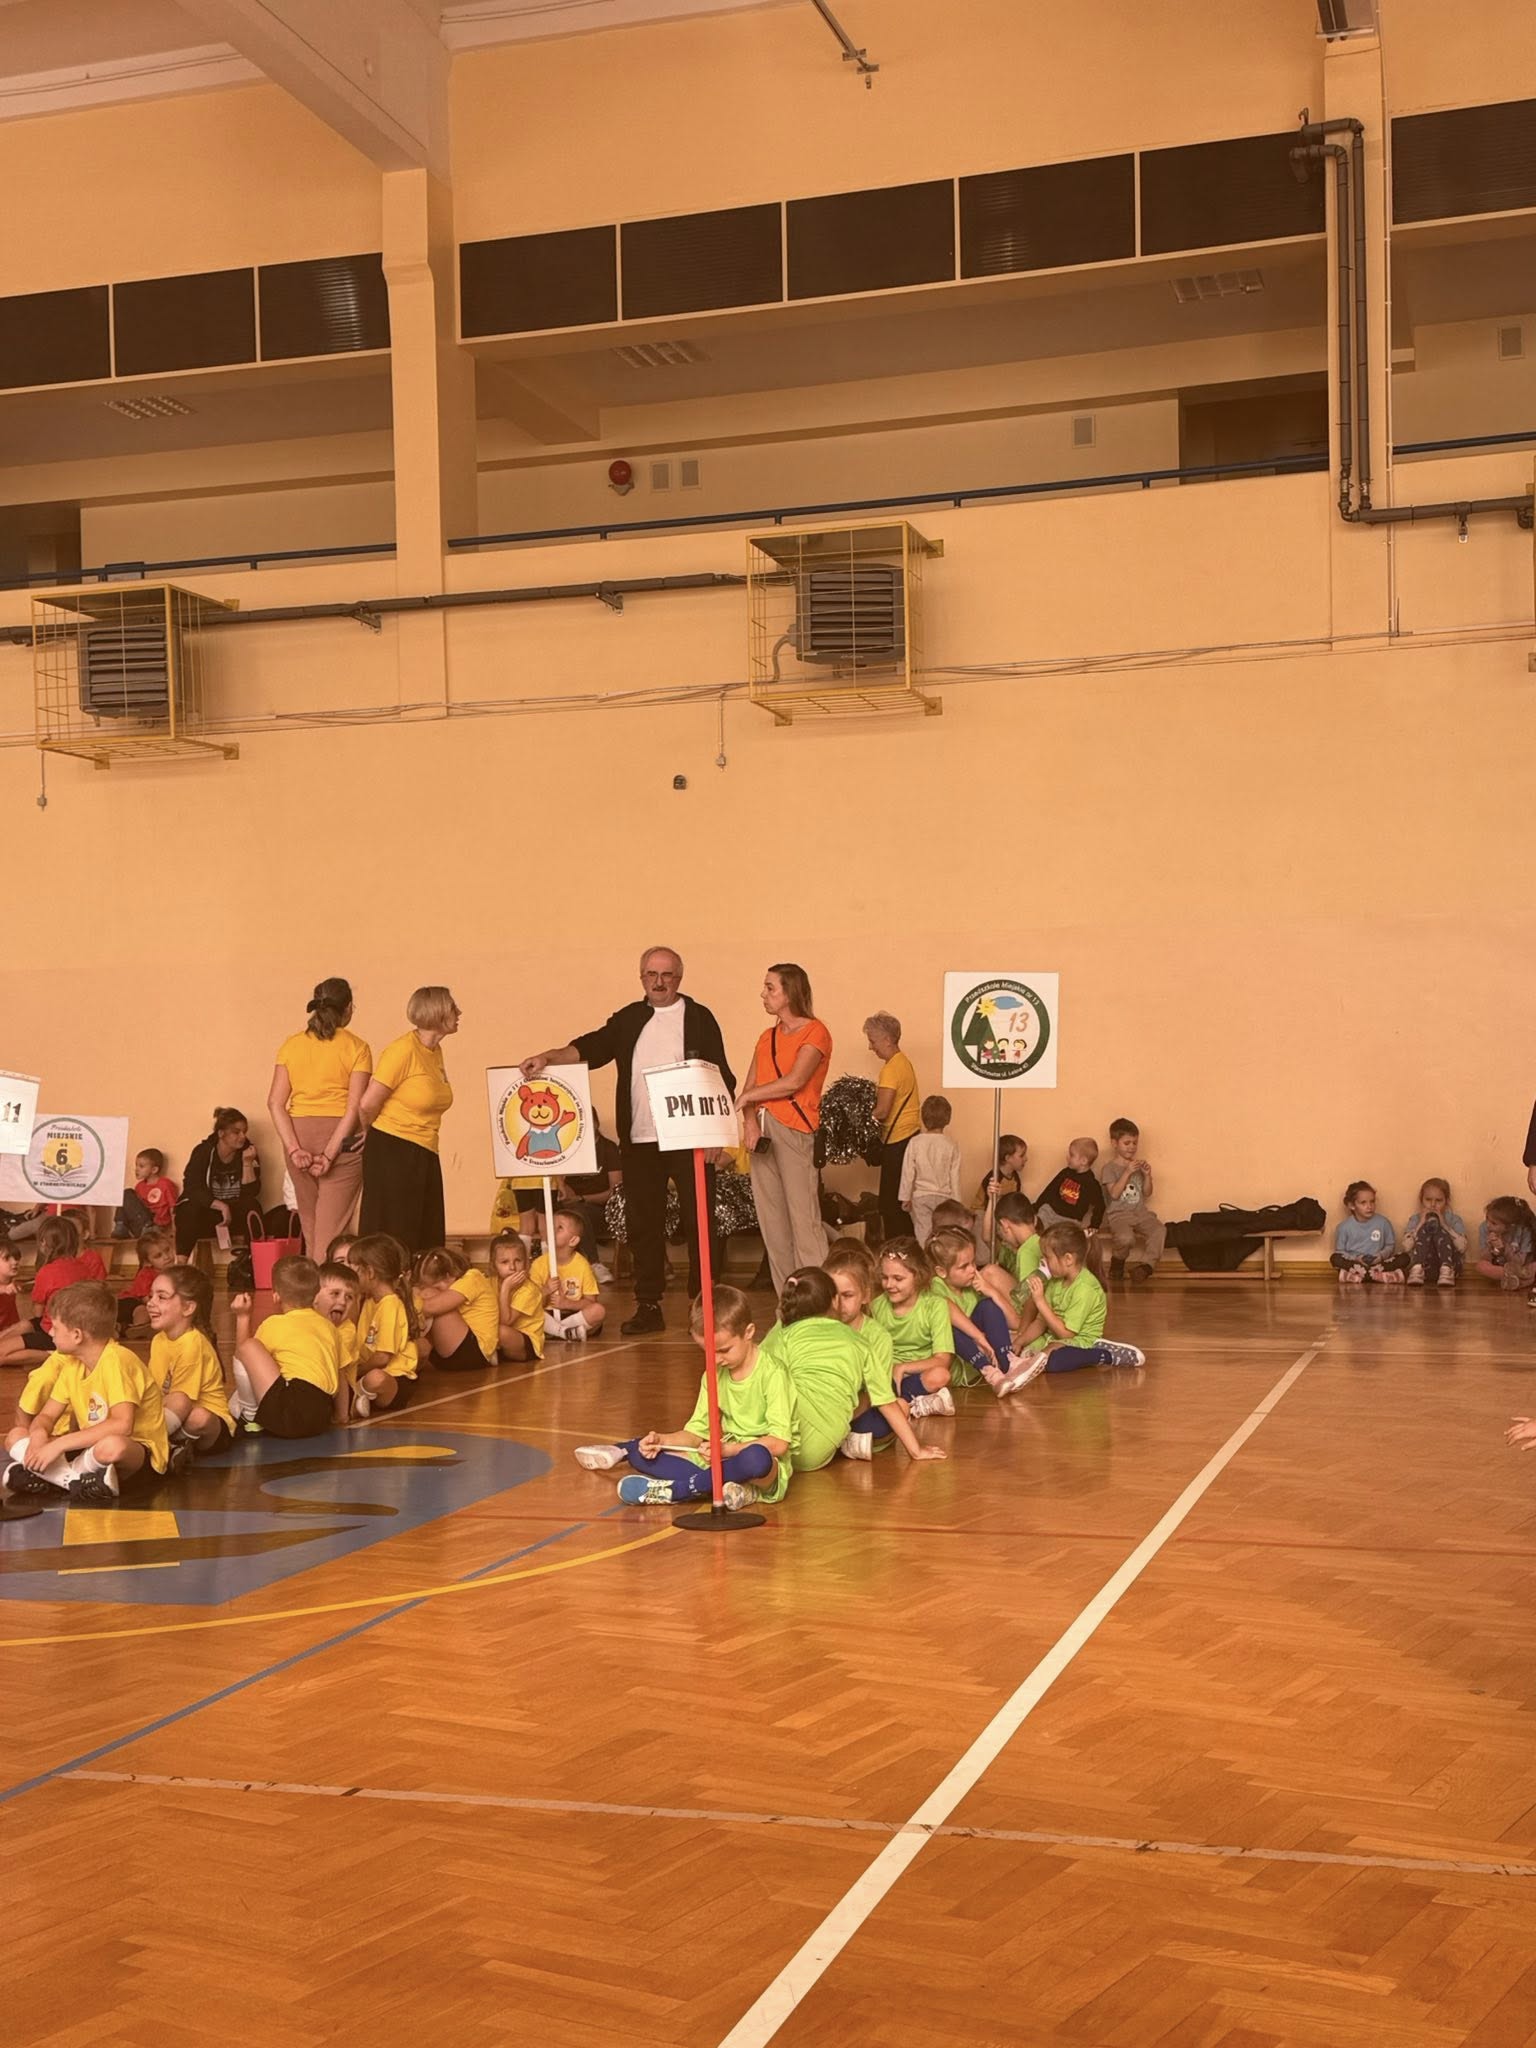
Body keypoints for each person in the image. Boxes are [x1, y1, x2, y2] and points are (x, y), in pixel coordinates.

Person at [518, 946, 734, 1336]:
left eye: (666, 975)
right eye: (651, 974)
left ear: (679, 978)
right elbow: (592, 1046)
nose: (659, 982)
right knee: (642, 1224)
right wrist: (548, 1057)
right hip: (639, 1141)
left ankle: (705, 1303)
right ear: (642, 978)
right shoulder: (630, 1019)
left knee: (699, 1220)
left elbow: (720, 1075)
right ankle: (648, 1304)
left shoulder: (699, 1018)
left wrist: (717, 1133)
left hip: (690, 1138)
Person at [572, 1285, 797, 1510]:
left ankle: (678, 1491)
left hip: (759, 1467)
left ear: (749, 1332)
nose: (715, 1360)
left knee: (756, 1458)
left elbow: (779, 1443)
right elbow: (695, 1434)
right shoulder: (712, 1375)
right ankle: (719, 1488)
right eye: (708, 1352)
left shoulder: (773, 1373)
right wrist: (662, 1441)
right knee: (642, 1456)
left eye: (724, 1350)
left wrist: (728, 1450)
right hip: (719, 1462)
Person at [3, 1280, 172, 1503]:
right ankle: (74, 1480)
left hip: (136, 1453)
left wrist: (58, 1445)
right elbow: (46, 1416)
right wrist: (38, 1436)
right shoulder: (72, 1364)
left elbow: (122, 1425)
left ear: (77, 1335)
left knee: (111, 1446)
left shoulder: (117, 1360)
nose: (50, 1332)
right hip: (89, 1449)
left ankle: (52, 1477)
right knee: (15, 1435)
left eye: (55, 1327)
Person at [734, 963, 832, 1296]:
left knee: (804, 1221)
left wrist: (750, 1097)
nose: (763, 994)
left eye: (770, 987)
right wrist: (749, 1123)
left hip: (795, 1130)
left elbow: (795, 1081)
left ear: (789, 992)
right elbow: (749, 1086)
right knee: (773, 1225)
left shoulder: (815, 1032)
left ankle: (818, 1299)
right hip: (762, 1132)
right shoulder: (767, 1037)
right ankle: (788, 1302)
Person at [268, 976, 373, 1260]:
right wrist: (329, 1154)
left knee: (311, 1225)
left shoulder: (291, 1045)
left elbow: (275, 1103)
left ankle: (313, 1284)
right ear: (348, 1008)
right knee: (331, 1231)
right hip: (341, 1138)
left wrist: (294, 1149)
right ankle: (326, 1284)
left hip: (298, 1134)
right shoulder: (357, 1047)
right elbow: (355, 1107)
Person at [355, 987, 460, 1254]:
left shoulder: (434, 1052)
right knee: (395, 1232)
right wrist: (370, 1133)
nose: (458, 1013)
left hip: (425, 1148)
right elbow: (367, 1103)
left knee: (426, 1230)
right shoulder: (402, 1051)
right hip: (393, 1147)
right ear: (436, 1013)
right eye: (452, 1008)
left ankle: (419, 1279)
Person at [822, 1241, 945, 1464]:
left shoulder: (877, 1336)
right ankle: (841, 1441)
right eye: (832, 1295)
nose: (838, 1304)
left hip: (855, 1410)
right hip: (819, 1412)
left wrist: (916, 1450)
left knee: (899, 1408)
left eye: (847, 1295)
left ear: (865, 1296)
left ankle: (842, 1439)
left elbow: (876, 1396)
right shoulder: (815, 1325)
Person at [989, 1223, 1146, 1393]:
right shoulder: (1055, 1282)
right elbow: (1041, 1322)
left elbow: (1067, 1334)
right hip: (1054, 1337)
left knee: (1053, 1361)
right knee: (1022, 1352)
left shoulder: (1085, 1288)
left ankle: (1104, 1354)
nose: (1043, 1262)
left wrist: (1040, 1301)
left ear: (1068, 1259)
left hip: (1080, 1341)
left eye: (1047, 1257)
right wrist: (1020, 1341)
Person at [230, 1255, 342, 1439]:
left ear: (276, 1295)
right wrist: (341, 1415)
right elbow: (340, 1372)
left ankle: (250, 1418)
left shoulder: (274, 1324)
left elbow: (243, 1353)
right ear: (316, 1293)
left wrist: (243, 1316)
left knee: (249, 1346)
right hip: (322, 1415)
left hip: (291, 1412)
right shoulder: (329, 1326)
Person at [148, 1264, 234, 1458]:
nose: (151, 1302)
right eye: (151, 1295)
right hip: (173, 1415)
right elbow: (156, 1390)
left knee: (198, 1417)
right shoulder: (158, 1340)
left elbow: (183, 1402)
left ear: (188, 1308)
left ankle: (155, 1444)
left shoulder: (192, 1344)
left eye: (161, 1297)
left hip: (207, 1425)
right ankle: (171, 1444)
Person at [867, 1238, 955, 1417]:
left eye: (898, 1279)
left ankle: (902, 1404)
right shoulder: (876, 1306)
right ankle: (912, 1404)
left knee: (941, 1375)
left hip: (918, 1374)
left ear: (918, 1276)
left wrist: (903, 1367)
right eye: (885, 1278)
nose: (889, 1285)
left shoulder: (935, 1305)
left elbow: (943, 1360)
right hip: (886, 1376)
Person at [926, 1225, 1012, 1383]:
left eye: (973, 1262)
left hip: (983, 1349)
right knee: (949, 1325)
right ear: (941, 1272)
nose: (972, 1269)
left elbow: (1015, 1322)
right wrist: (978, 1336)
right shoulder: (935, 1286)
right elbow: (947, 1309)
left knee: (988, 1306)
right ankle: (988, 1370)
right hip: (961, 1361)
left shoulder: (972, 1286)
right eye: (964, 1267)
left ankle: (1008, 1364)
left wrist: (991, 1291)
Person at [15, 1215, 107, 1362]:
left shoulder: (46, 1271)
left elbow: (38, 1311)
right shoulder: (84, 1268)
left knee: (3, 1352)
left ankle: (55, 1355)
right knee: (24, 1325)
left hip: (54, 1332)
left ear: (45, 1243)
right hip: (77, 1328)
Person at [176, 1106, 263, 1258]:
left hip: (233, 1216)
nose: (242, 1136)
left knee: (252, 1207)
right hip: (209, 1213)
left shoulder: (249, 1153)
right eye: (236, 1132)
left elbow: (251, 1193)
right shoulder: (203, 1151)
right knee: (188, 1209)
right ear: (221, 1133)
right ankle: (181, 1264)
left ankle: (253, 1260)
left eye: (244, 1132)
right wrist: (221, 1206)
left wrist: (247, 1163)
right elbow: (192, 1187)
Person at [348, 1233, 420, 1418]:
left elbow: (382, 1358)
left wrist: (354, 1372)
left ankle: (359, 1393)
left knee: (376, 1379)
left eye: (356, 1271)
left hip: (393, 1377)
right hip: (367, 1369)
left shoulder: (390, 1305)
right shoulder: (369, 1301)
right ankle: (361, 1394)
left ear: (370, 1273)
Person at [864, 1012, 920, 1243]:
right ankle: (909, 1249)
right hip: (910, 1137)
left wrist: (860, 1120)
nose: (871, 1047)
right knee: (902, 1201)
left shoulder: (890, 1069)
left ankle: (897, 1251)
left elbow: (882, 1111)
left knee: (890, 1205)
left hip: (897, 1142)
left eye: (873, 1041)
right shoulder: (904, 1063)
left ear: (887, 1039)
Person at [1097, 1118, 1166, 1283]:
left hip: (1140, 1212)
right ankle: (1117, 1263)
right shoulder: (1109, 1168)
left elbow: (1147, 1193)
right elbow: (1114, 1194)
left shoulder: (1138, 1168)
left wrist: (1147, 1176)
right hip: (1119, 1215)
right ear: (1114, 1144)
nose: (1132, 1147)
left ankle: (1145, 1267)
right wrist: (1127, 1172)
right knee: (1126, 1238)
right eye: (1127, 1143)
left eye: (1135, 1143)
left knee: (1159, 1230)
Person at [415, 1246, 500, 1371]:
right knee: (419, 1295)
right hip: (453, 1351)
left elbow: (429, 1307)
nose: (437, 1290)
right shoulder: (459, 1282)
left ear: (449, 1276)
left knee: (427, 1296)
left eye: (438, 1287)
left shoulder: (473, 1277)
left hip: (473, 1353)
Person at [532, 1202, 606, 1342]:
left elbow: (590, 1302)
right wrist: (546, 1290)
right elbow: (530, 1301)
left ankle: (557, 1331)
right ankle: (564, 1332)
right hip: (548, 1314)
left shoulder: (582, 1266)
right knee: (528, 1312)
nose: (552, 1230)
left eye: (559, 1227)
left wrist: (567, 1304)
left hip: (573, 1314)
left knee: (598, 1311)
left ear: (573, 1240)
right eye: (551, 1226)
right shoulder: (538, 1264)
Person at [899, 1094, 963, 1245]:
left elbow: (908, 1171)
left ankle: (925, 1257)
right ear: (947, 1118)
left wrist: (905, 1196)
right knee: (943, 1235)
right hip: (944, 1197)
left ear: (923, 1117)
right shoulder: (951, 1144)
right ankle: (940, 1258)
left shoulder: (915, 1142)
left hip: (921, 1196)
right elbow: (955, 1176)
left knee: (923, 1233)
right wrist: (957, 1202)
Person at [1400, 1179, 1467, 1286]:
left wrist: (1444, 1225)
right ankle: (1417, 1268)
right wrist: (1420, 1224)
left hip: (1451, 1268)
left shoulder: (1454, 1219)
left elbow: (1462, 1248)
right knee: (1426, 1227)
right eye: (1428, 1200)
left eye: (1439, 1201)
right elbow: (1406, 1248)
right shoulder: (1415, 1219)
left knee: (1438, 1229)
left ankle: (1446, 1269)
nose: (1433, 1205)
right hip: (1424, 1269)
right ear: (1421, 1200)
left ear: (1446, 1201)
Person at [1332, 1180, 1401, 1284]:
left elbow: (1390, 1245)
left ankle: (1358, 1276)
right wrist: (1356, 1258)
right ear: (1351, 1205)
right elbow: (1340, 1251)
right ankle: (1377, 1276)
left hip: (1378, 1262)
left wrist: (1380, 1256)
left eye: (1372, 1201)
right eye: (1363, 1203)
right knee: (1335, 1258)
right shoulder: (1343, 1227)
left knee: (1404, 1258)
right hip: (1356, 1263)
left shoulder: (1383, 1222)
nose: (1369, 1206)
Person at [491, 1232, 544, 1363]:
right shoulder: (491, 1282)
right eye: (504, 1262)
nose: (512, 1267)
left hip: (526, 1343)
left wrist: (506, 1288)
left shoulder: (528, 1290)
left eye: (518, 1261)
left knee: (500, 1331)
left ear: (525, 1263)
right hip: (500, 1335)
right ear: (494, 1264)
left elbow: (506, 1321)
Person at [115, 1226, 177, 1335]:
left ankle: (125, 1328)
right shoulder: (146, 1274)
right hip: (129, 1302)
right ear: (147, 1262)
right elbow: (146, 1299)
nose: (166, 1257)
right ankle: (138, 1329)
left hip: (149, 1306)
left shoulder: (175, 1273)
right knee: (143, 1311)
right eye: (158, 1256)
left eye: (167, 1250)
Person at [1474, 1197, 1536, 1290]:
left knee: (1533, 1266)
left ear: (1510, 1226)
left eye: (1494, 1223)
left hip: (1522, 1267)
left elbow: (1520, 1261)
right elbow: (1485, 1258)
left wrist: (1504, 1248)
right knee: (1481, 1266)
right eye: (1487, 1219)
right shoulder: (1484, 1228)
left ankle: (1518, 1281)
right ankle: (1515, 1279)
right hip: (1501, 1267)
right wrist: (1490, 1246)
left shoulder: (1524, 1231)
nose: (1488, 1225)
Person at [118, 1147, 179, 1239]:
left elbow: (173, 1208)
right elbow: (136, 1210)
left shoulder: (165, 1184)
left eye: (141, 1166)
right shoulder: (139, 1186)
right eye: (136, 1166)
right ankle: (121, 1225)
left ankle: (149, 1228)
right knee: (126, 1194)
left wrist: (175, 1230)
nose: (137, 1169)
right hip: (142, 1225)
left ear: (154, 1170)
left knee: (128, 1194)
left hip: (157, 1226)